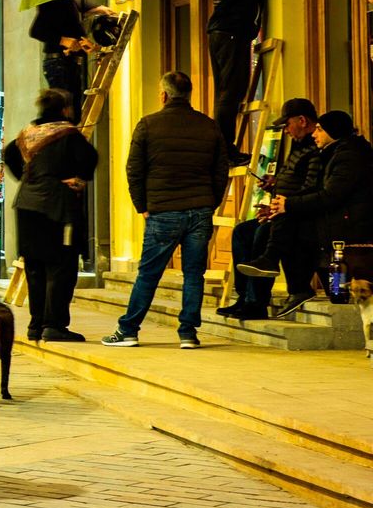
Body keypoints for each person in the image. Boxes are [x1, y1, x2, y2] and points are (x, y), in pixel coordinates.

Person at [102, 72, 228, 349]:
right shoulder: (209, 126)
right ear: (189, 94)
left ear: (164, 95)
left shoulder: (148, 125)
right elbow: (221, 171)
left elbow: (134, 169)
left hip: (163, 211)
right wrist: (210, 201)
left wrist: (143, 206)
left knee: (148, 273)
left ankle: (129, 330)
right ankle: (188, 333)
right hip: (200, 210)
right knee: (194, 274)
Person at [206, 0, 314, 153]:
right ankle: (226, 149)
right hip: (234, 29)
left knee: (224, 91)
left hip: (218, 29)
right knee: (233, 91)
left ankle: (222, 147)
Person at [256, 110, 373, 318]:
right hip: (333, 219)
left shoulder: (348, 156)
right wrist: (283, 204)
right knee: (279, 223)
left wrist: (289, 205)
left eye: (319, 129)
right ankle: (273, 278)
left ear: (332, 131)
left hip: (348, 224)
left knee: (292, 226)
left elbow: (331, 195)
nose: (314, 134)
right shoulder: (332, 152)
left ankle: (291, 280)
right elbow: (315, 190)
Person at [3, 88, 98, 342]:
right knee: (61, 266)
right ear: (65, 109)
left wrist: (28, 177)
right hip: (56, 207)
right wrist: (77, 178)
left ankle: (36, 325)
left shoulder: (27, 134)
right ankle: (54, 325)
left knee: (34, 266)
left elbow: (8, 154)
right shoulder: (68, 134)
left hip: (26, 205)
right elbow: (90, 160)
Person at [222, 98, 321, 319]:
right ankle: (243, 297)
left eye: (287, 124)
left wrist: (281, 207)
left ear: (302, 120)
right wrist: (274, 183)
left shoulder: (314, 149)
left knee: (261, 232)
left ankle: (256, 302)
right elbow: (293, 179)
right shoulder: (298, 146)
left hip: (297, 215)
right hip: (282, 210)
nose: (285, 131)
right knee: (241, 232)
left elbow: (309, 187)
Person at [28, 0, 114, 120]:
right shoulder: (51, 1)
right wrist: (63, 40)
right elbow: (36, 30)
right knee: (64, 110)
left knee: (72, 111)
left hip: (67, 62)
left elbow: (76, 4)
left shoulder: (67, 0)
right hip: (60, 63)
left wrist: (97, 8)